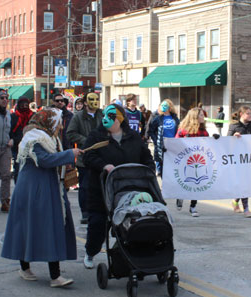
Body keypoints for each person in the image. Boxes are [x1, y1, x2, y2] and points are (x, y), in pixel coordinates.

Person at [1, 108, 84, 287]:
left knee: (45, 227)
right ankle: (35, 271)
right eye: (58, 121)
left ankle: (52, 274)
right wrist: (69, 155)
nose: (61, 125)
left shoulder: (49, 137)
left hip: (48, 185)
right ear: (50, 122)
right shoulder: (35, 138)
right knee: (35, 227)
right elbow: (44, 159)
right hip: (34, 188)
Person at [82, 104, 155, 269]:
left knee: (132, 222)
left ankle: (134, 254)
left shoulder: (133, 137)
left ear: (120, 119)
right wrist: (103, 165)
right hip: (102, 190)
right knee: (97, 225)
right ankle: (90, 251)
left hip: (130, 188)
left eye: (113, 117)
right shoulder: (96, 136)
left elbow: (145, 155)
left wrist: (149, 168)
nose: (108, 120)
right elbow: (88, 156)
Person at [67, 92, 104, 224]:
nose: (95, 102)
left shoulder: (102, 114)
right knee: (85, 187)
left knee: (101, 186)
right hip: (85, 157)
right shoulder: (78, 117)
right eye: (92, 99)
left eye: (97, 99)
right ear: (86, 102)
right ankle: (86, 213)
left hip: (101, 157)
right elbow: (70, 133)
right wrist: (86, 140)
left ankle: (100, 211)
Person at [175, 108, 214, 217]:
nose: (203, 117)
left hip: (199, 160)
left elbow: (207, 144)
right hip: (186, 161)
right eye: (201, 115)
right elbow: (175, 142)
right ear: (195, 117)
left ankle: (193, 206)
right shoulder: (183, 130)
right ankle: (180, 196)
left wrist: (214, 139)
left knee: (197, 183)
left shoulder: (204, 131)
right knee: (185, 181)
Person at [147, 99, 179, 177]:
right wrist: (156, 141)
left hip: (172, 145)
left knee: (173, 167)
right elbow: (150, 130)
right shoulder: (158, 118)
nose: (163, 107)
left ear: (170, 107)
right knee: (162, 169)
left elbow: (179, 130)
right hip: (161, 147)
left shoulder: (175, 118)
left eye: (165, 106)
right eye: (162, 106)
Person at [10, 97, 34, 183]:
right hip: (17, 147)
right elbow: (10, 131)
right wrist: (15, 140)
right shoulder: (13, 116)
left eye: (26, 105)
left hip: (31, 146)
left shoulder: (33, 116)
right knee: (18, 169)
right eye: (22, 105)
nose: (24, 107)